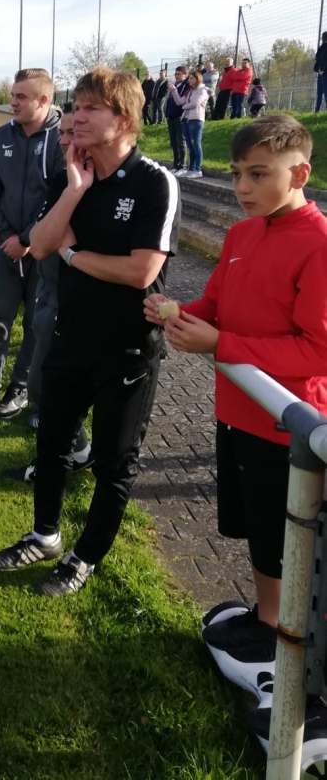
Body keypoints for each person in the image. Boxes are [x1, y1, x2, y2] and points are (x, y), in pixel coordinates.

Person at [145, 115, 327, 677]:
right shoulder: (242, 234)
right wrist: (178, 313)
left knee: (289, 538)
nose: (242, 187)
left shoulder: (319, 244)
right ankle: (267, 618)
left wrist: (220, 343)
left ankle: (292, 641)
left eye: (258, 174)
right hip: (235, 411)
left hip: (289, 426)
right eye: (236, 173)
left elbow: (317, 351)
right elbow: (217, 303)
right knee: (258, 529)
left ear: (300, 174)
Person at [0, 66, 180, 598]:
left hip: (127, 348)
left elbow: (140, 271)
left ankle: (84, 558)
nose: (78, 117)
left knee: (115, 463)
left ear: (126, 119)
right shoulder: (72, 172)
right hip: (70, 335)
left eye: (92, 107)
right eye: (76, 106)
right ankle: (45, 536)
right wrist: (74, 190)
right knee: (51, 444)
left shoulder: (154, 182)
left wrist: (75, 255)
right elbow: (41, 244)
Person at [0, 68, 65, 423]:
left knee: (37, 325)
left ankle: (20, 387)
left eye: (21, 96)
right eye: (13, 95)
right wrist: (9, 236)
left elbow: (59, 197)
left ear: (43, 100)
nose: (13, 102)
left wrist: (28, 239)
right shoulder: (3, 137)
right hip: (7, 248)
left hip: (45, 252)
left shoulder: (60, 140)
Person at [2, 102, 93, 479]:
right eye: (63, 133)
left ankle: (60, 461)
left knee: (49, 386)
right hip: (49, 292)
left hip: (74, 304)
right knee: (43, 386)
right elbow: (41, 241)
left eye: (73, 133)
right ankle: (77, 452)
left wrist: (66, 250)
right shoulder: (64, 181)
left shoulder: (107, 185)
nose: (64, 141)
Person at [170, 69, 208, 178]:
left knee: (196, 143)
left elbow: (195, 104)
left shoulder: (202, 90)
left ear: (197, 79)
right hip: (186, 119)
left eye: (191, 78)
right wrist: (174, 91)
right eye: (189, 78)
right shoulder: (190, 91)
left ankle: (197, 169)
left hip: (196, 119)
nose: (189, 80)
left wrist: (184, 107)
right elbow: (179, 101)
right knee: (190, 145)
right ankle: (191, 168)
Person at [166, 65, 189, 172]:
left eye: (179, 74)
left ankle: (183, 166)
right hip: (171, 116)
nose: (176, 76)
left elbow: (181, 101)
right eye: (175, 74)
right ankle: (176, 165)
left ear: (185, 75)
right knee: (173, 142)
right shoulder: (175, 85)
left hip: (179, 116)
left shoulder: (186, 86)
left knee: (181, 141)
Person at [314, 31, 327, 112]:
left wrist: (324, 70)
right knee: (319, 93)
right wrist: (318, 70)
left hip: (325, 72)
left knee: (325, 92)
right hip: (320, 72)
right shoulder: (321, 48)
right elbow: (318, 60)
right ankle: (317, 111)